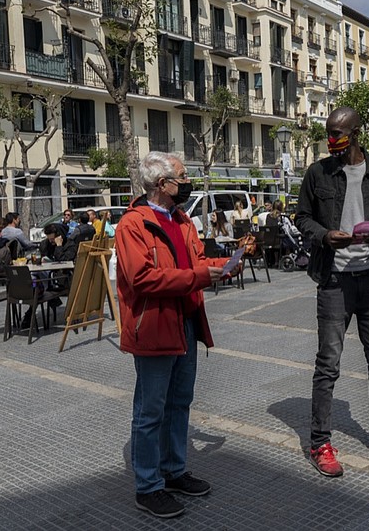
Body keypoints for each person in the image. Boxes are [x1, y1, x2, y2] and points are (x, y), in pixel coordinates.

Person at [115, 151, 241, 519]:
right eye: (181, 177)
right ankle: (148, 486)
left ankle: (173, 470)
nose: (186, 182)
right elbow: (142, 278)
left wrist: (224, 265)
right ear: (161, 184)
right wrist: (200, 276)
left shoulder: (182, 220)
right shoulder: (132, 225)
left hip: (185, 322)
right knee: (150, 409)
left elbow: (195, 263)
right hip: (153, 326)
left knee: (179, 401)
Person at [295, 107, 369, 478]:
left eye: (338, 135)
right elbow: (302, 218)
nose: (331, 141)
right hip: (334, 280)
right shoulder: (318, 173)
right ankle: (319, 443)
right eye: (328, 134)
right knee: (328, 364)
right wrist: (325, 236)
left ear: (356, 133)